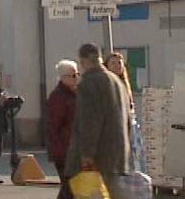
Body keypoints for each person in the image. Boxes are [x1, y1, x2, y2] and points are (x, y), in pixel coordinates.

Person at [66, 44, 133, 197]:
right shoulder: (116, 81)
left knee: (93, 193)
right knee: (113, 192)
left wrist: (86, 153)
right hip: (118, 153)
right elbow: (128, 119)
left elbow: (89, 121)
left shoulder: (89, 82)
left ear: (83, 61)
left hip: (98, 155)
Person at [105, 53, 145, 173]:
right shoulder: (107, 83)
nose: (117, 66)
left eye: (119, 63)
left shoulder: (124, 84)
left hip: (128, 126)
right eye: (113, 63)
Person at [46, 60, 80, 199]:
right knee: (69, 188)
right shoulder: (58, 96)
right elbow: (54, 126)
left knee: (69, 188)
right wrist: (60, 150)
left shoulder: (74, 94)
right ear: (63, 77)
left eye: (77, 74)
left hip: (73, 149)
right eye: (73, 75)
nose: (76, 77)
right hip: (64, 150)